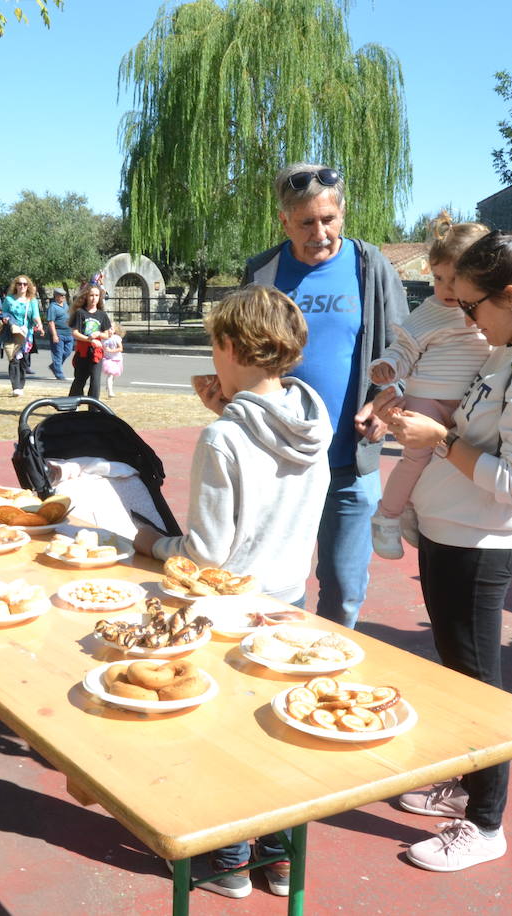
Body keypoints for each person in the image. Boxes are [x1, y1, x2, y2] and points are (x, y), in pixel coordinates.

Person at [373, 224, 512, 872]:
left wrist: (437, 437)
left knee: (478, 690)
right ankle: (468, 785)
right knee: (459, 675)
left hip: (481, 546)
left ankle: (486, 822)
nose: (465, 318)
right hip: (456, 538)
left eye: (472, 306)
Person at [133, 285, 331, 899]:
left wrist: (152, 544)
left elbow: (208, 554)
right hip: (289, 602)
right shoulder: (311, 419)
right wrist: (228, 409)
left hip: (229, 610)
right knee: (275, 732)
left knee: (220, 735)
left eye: (213, 344)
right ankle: (278, 858)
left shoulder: (224, 439)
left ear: (229, 346)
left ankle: (226, 859)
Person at [242, 163, 407, 629]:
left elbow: (408, 349)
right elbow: (239, 353)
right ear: (284, 221)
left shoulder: (369, 265)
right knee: (274, 585)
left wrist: (387, 399)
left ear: (342, 214)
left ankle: (325, 675)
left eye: (329, 219)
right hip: (279, 460)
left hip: (351, 460)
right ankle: (278, 663)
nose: (320, 233)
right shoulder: (263, 272)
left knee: (344, 590)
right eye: (306, 223)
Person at [368, 218, 491, 559]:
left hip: (470, 402)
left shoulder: (485, 310)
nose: (446, 288)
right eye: (438, 278)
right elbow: (405, 348)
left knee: (451, 462)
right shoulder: (430, 311)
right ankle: (386, 516)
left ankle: (414, 507)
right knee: (416, 458)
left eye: (455, 279)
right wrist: (388, 367)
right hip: (427, 399)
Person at [67, 283, 112, 399]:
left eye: (97, 295)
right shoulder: (80, 313)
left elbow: (107, 334)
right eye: (91, 295)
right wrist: (89, 339)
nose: (94, 298)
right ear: (86, 296)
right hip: (82, 353)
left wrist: (99, 334)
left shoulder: (102, 315)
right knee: (79, 381)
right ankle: (71, 406)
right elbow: (75, 333)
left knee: (95, 382)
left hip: (96, 353)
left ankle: (93, 410)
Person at [1, 274, 43, 396]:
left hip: (26, 334)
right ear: (16, 285)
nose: (22, 286)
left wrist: (39, 325)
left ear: (28, 286)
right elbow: (4, 312)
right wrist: (5, 318)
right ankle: (16, 387)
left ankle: (21, 384)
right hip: (12, 332)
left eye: (25, 284)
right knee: (13, 359)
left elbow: (35, 315)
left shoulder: (32, 300)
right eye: (19, 284)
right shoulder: (9, 299)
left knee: (23, 360)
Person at [45, 288, 72, 380]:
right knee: (58, 354)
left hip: (68, 333)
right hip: (58, 333)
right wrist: (54, 335)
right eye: (61, 295)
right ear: (56, 296)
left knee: (68, 352)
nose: (63, 297)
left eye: (64, 295)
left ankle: (54, 366)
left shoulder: (66, 305)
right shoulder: (53, 307)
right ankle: (59, 374)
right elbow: (51, 322)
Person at [101, 326, 126, 398]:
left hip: (117, 359)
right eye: (108, 329)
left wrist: (111, 350)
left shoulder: (116, 338)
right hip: (108, 359)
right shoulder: (103, 339)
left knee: (114, 375)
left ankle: (109, 386)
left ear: (115, 330)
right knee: (110, 375)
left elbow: (120, 348)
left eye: (111, 329)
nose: (109, 331)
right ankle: (110, 392)